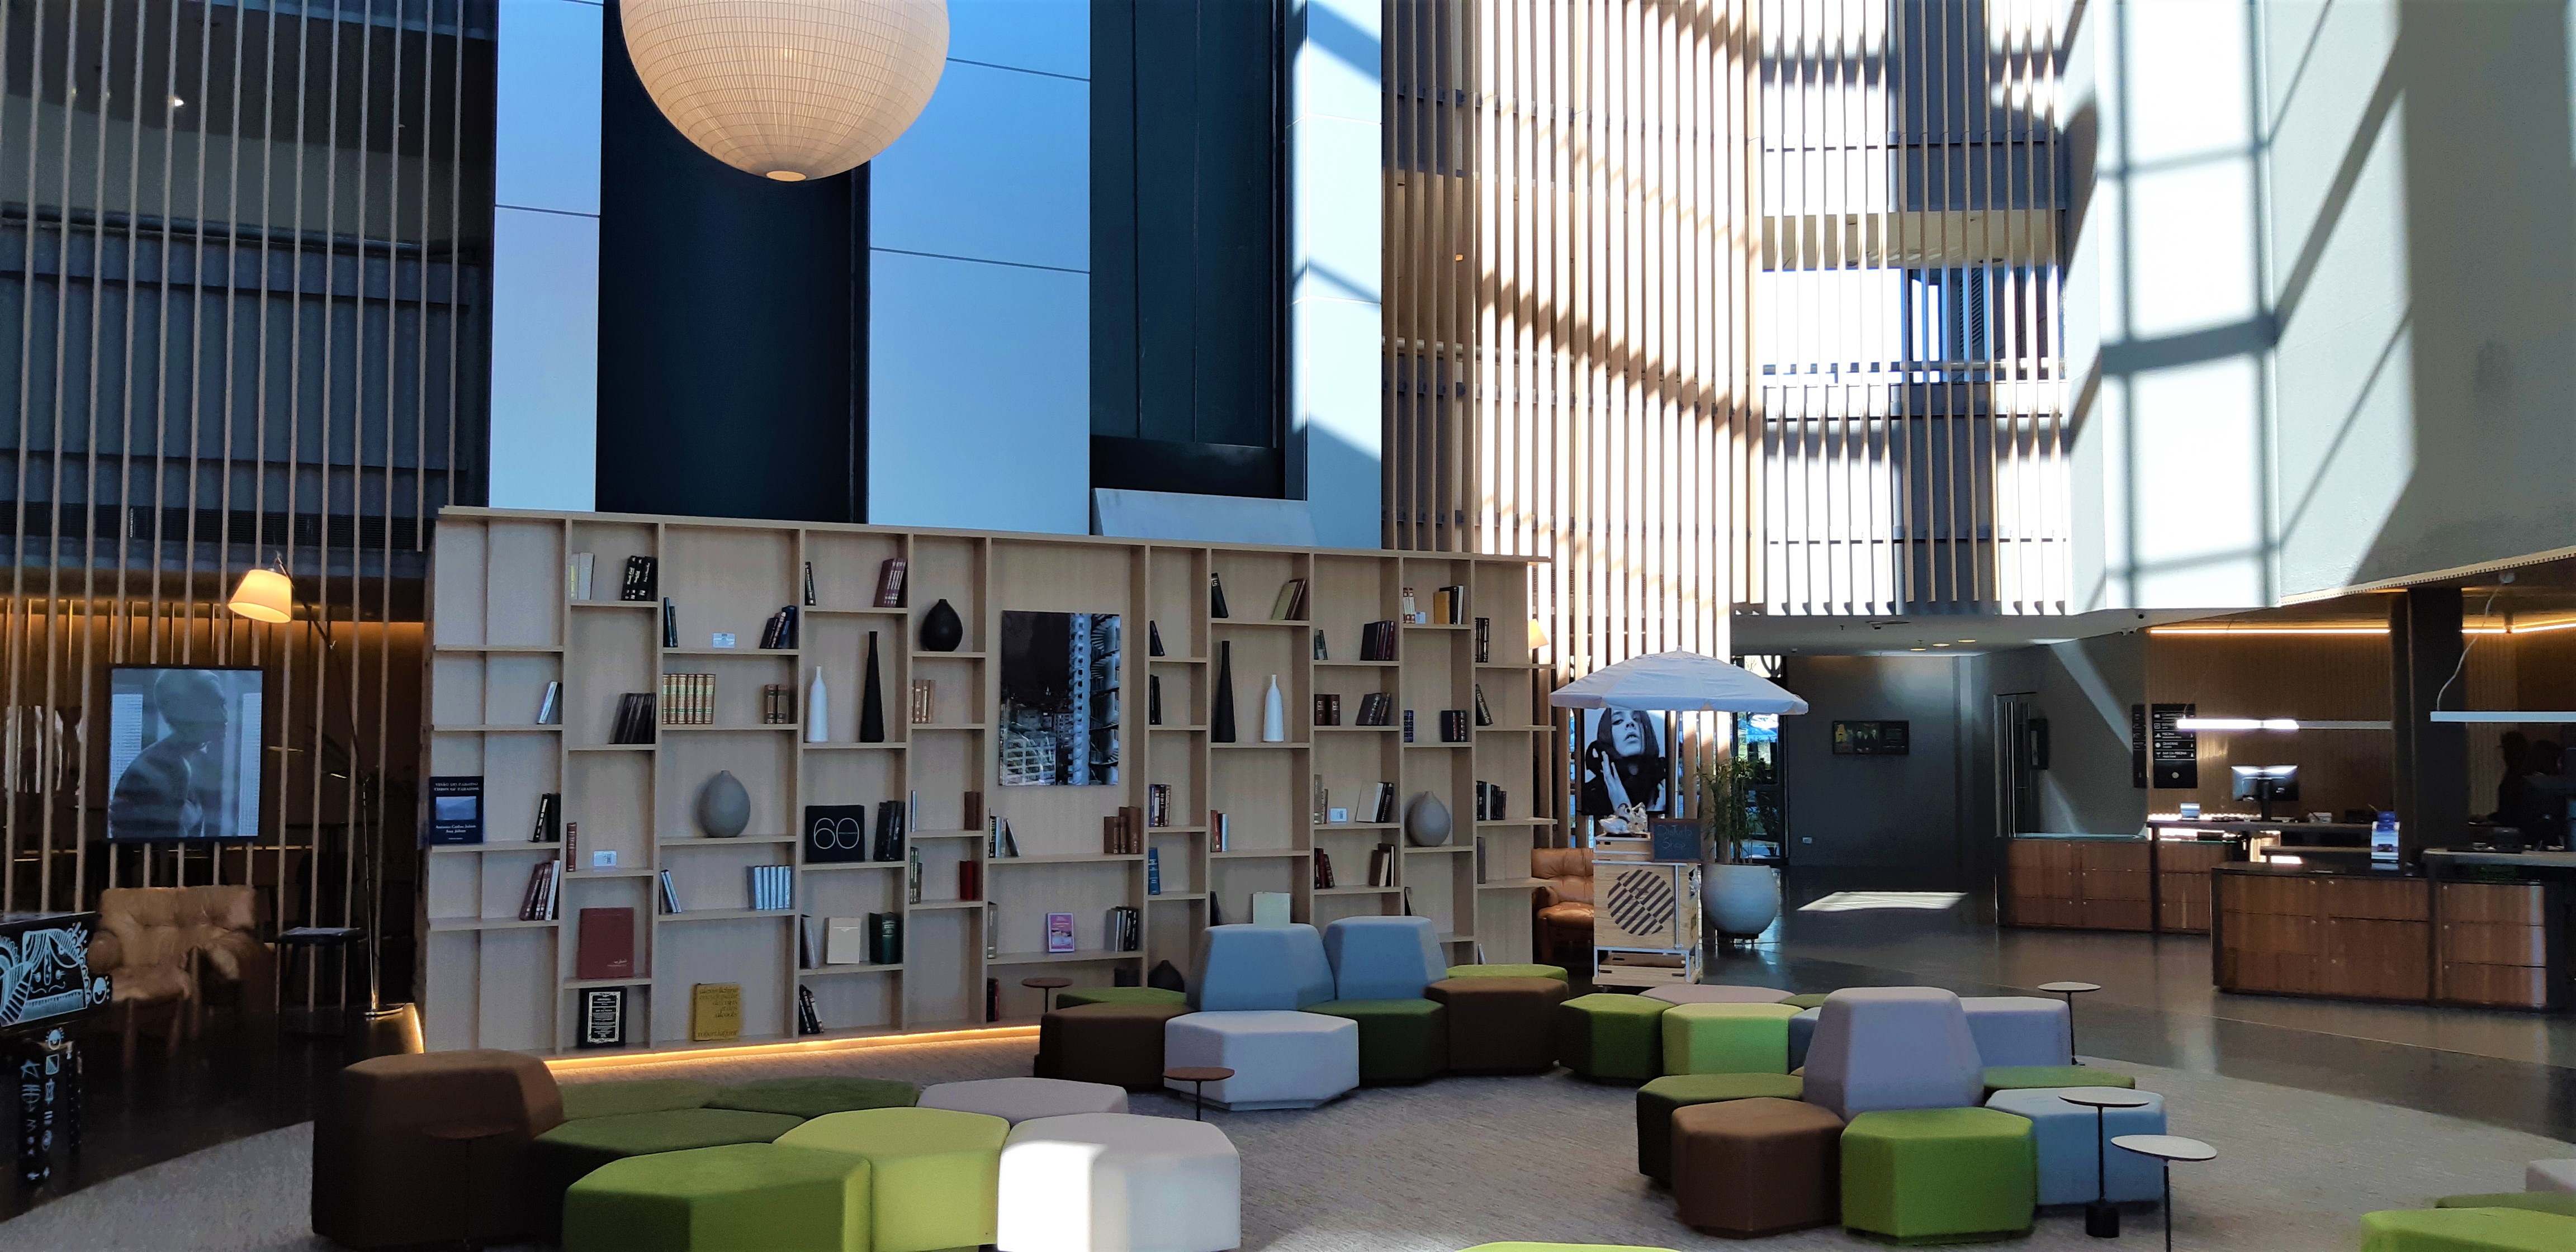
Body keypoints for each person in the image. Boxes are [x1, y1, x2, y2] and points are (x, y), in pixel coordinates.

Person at [108, 669, 233, 841]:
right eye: (213, 706)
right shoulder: (161, 768)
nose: (224, 716)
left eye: (223, 704)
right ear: (181, 710)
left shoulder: (194, 761)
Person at [1579, 707, 1669, 816]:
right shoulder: (1592, 794)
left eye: (1637, 719)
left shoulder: (1664, 787)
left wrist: (1657, 813)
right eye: (1618, 721)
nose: (1630, 723)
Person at [2492, 731, 2530, 822]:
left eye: (2507, 752)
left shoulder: (2521, 778)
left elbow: (2510, 815)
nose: (2504, 757)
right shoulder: (2512, 774)